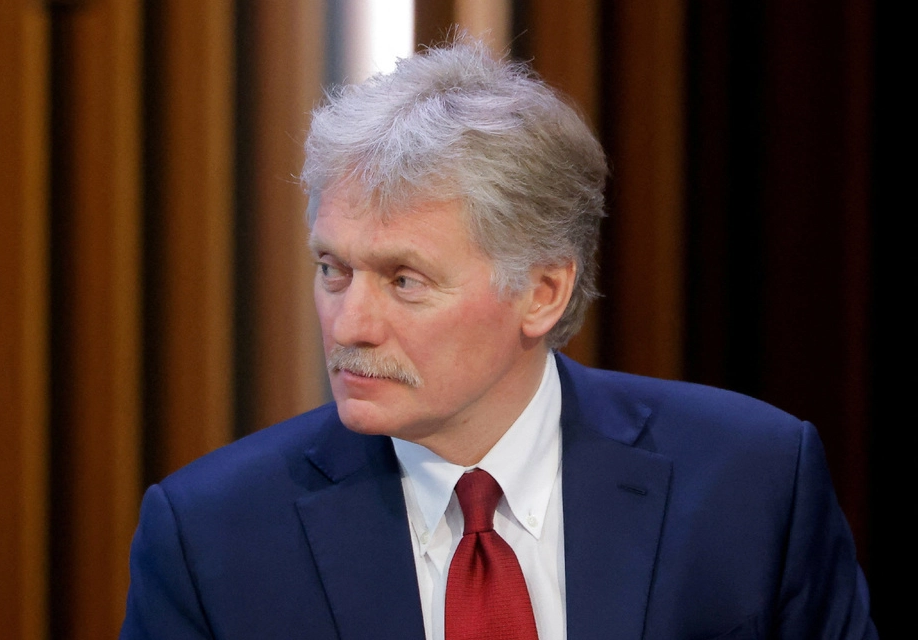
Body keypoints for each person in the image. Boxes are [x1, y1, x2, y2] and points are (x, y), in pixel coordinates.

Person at [120, 39, 877, 639]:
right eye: (333, 270)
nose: (349, 325)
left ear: (542, 292)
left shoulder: (753, 482)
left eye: (405, 280)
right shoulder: (210, 536)